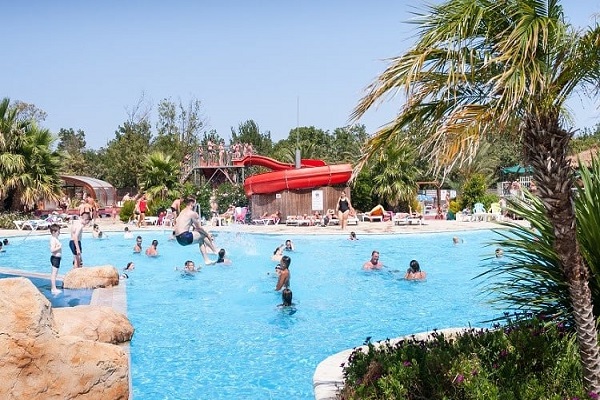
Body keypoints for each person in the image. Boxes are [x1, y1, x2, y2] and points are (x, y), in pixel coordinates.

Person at [174, 197, 218, 264]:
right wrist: (208, 235)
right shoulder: (192, 213)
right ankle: (215, 251)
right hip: (184, 237)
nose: (195, 205)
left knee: (200, 240)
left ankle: (207, 260)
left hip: (178, 239)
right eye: (195, 203)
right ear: (192, 203)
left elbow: (187, 224)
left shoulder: (182, 212)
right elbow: (199, 228)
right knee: (203, 236)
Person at [49, 224, 62, 294]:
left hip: (57, 258)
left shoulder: (55, 239)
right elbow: (52, 250)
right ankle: (53, 289)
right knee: (54, 274)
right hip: (55, 258)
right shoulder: (53, 239)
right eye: (58, 231)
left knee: (55, 274)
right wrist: (59, 247)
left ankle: (54, 287)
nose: (59, 233)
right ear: (54, 232)